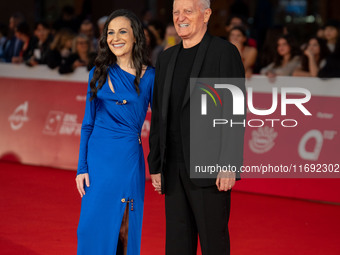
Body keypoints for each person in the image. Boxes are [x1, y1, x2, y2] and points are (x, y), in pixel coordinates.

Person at [148, 0, 245, 254]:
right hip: (173, 169)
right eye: (176, 12)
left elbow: (234, 113)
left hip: (210, 169)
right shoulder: (167, 58)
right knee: (177, 246)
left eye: (188, 11)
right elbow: (159, 114)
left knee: (214, 244)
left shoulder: (224, 53)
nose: (180, 17)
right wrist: (156, 164)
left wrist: (229, 164)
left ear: (206, 14)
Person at [75, 9, 154, 255]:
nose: (115, 37)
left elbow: (163, 121)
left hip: (127, 161)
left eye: (122, 31)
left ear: (135, 37)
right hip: (97, 163)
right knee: (89, 227)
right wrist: (81, 168)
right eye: (110, 32)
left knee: (124, 228)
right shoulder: (97, 73)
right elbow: (88, 124)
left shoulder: (150, 77)